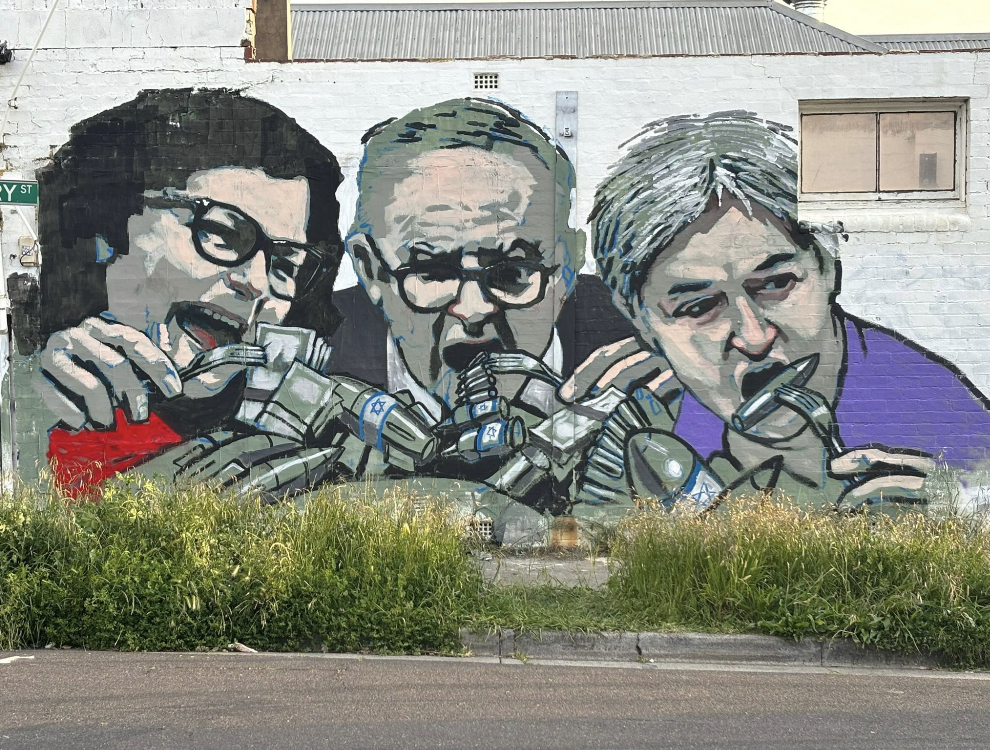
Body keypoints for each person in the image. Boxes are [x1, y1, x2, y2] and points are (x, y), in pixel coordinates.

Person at [588, 111, 990, 510]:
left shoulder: (954, 432)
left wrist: (972, 513)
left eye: (777, 284)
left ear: (828, 267)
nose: (754, 337)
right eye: (700, 306)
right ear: (641, 321)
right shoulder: (646, 425)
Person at [32, 88, 344, 491]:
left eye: (285, 264)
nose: (255, 283)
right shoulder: (44, 402)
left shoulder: (299, 439)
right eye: (222, 233)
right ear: (111, 230)